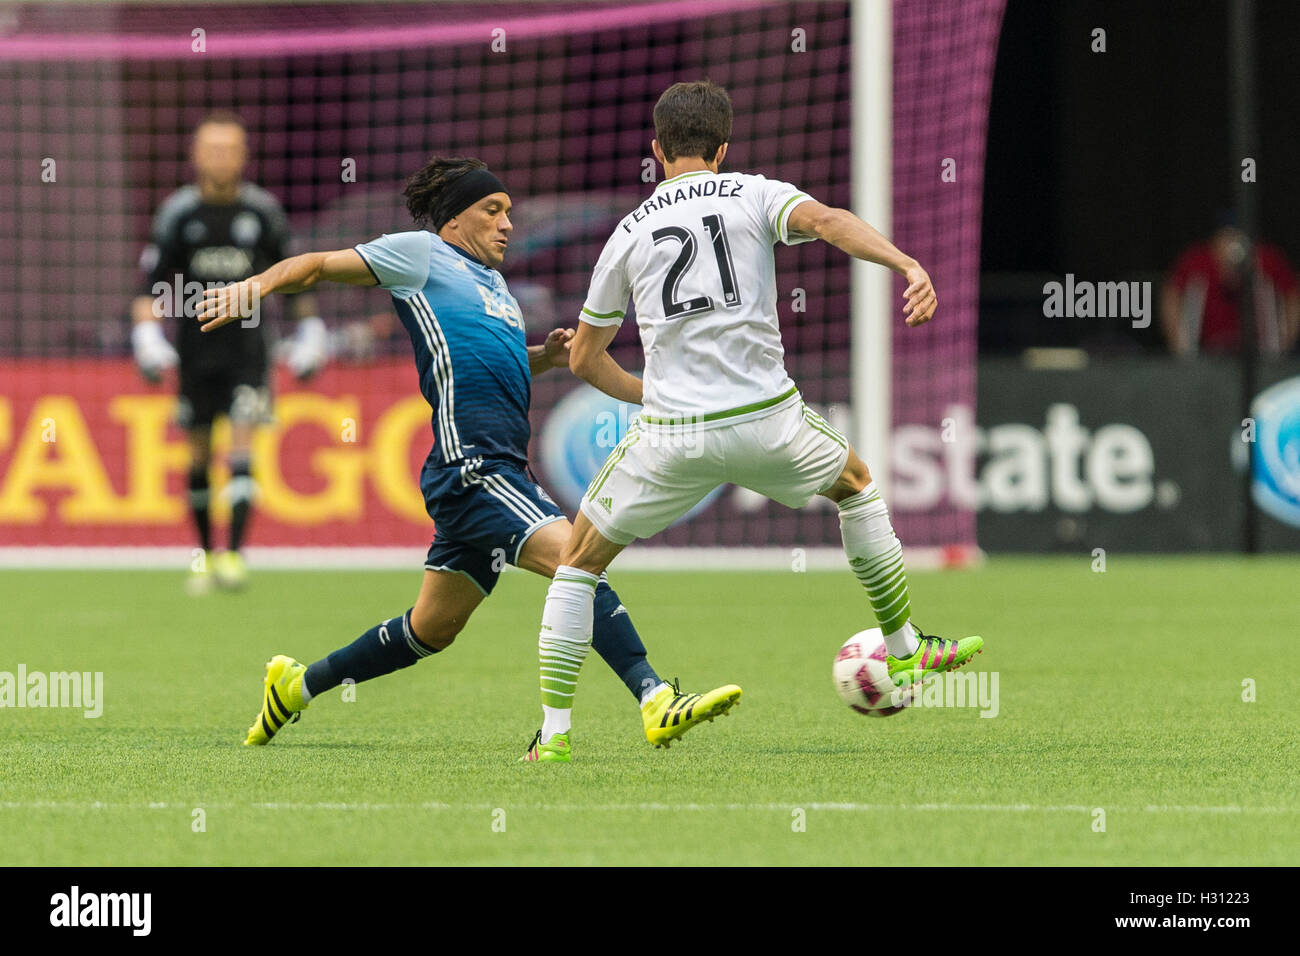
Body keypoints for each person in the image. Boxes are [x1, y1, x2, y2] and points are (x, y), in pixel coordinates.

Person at [196, 156, 740, 750]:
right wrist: (257, 285)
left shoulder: (496, 285)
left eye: (509, 212)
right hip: (474, 466)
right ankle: (655, 697)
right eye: (493, 210)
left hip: (489, 469)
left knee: (430, 629)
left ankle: (296, 687)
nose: (507, 223)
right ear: (454, 219)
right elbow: (319, 266)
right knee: (579, 563)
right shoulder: (420, 254)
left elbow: (488, 360)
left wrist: (545, 358)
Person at [521, 81, 984, 763]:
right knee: (855, 482)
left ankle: (555, 738)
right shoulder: (753, 193)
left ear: (656, 150)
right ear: (724, 147)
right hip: (769, 420)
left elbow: (586, 359)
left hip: (673, 434)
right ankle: (907, 650)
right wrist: (905, 263)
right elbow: (829, 222)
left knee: (578, 564)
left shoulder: (626, 234)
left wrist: (650, 394)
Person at [131, 112, 328, 593]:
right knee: (198, 455)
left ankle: (235, 557)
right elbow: (151, 286)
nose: (220, 157)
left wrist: (311, 330)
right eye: (212, 148)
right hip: (195, 353)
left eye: (229, 148)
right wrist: (147, 337)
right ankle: (204, 556)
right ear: (196, 155)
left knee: (241, 445)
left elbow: (294, 276)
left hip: (248, 350)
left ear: (243, 155)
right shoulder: (178, 214)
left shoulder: (262, 213)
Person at [1160, 217, 1300, 355]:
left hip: (1260, 355)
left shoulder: (1267, 261)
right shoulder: (1197, 262)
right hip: (1206, 354)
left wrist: (1284, 341)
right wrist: (1180, 345)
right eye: (1225, 239)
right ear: (1214, 243)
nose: (1232, 250)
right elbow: (1170, 297)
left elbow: (1293, 297)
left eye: (1237, 240)